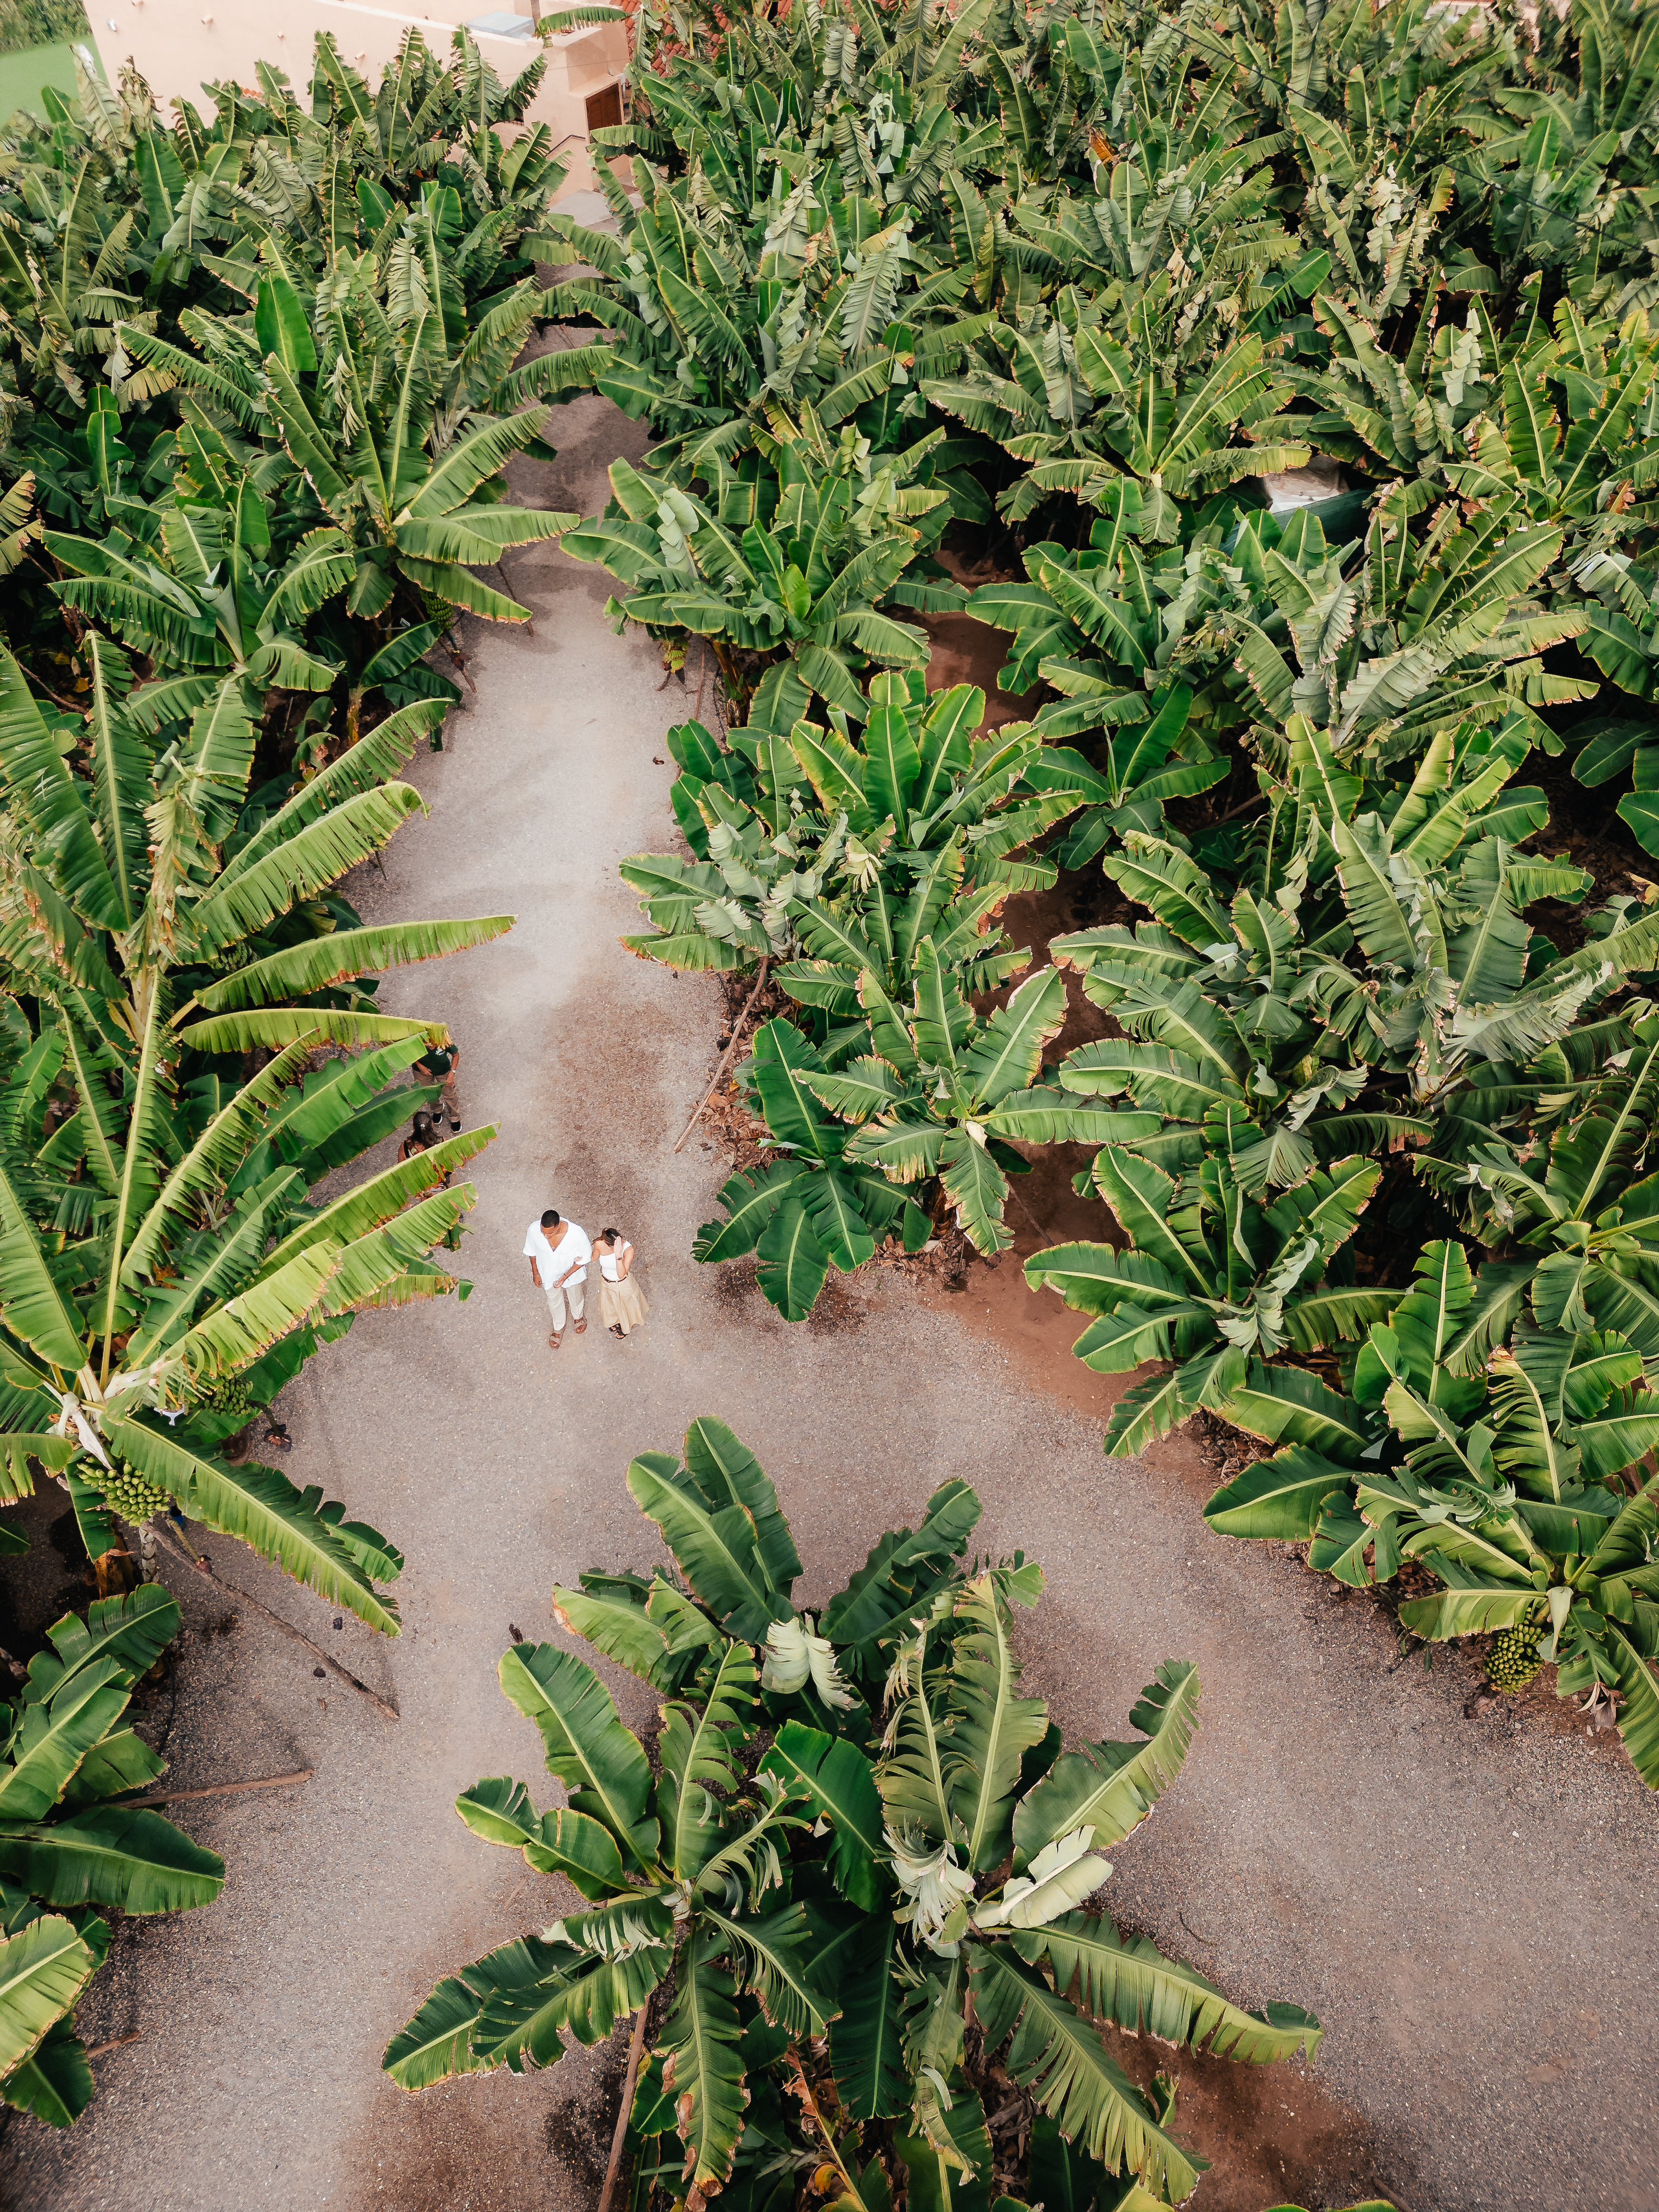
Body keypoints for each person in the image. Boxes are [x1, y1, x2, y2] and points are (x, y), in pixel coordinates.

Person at [524, 1207, 591, 1350]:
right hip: (548, 1273)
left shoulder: (577, 1234)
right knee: (554, 1300)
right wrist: (536, 1273)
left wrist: (565, 1277)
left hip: (571, 1274)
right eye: (544, 1233)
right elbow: (532, 1252)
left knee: (575, 1294)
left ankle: (578, 1316)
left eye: (550, 1234)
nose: (546, 1237)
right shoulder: (533, 1230)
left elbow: (584, 1259)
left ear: (558, 1226)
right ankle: (559, 1326)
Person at [594, 1228, 648, 1339]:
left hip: (621, 1284)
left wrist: (618, 1255)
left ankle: (625, 1328)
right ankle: (615, 1321)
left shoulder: (628, 1249)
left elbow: (621, 1274)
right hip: (605, 1282)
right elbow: (593, 1257)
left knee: (625, 1308)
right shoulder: (600, 1244)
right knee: (610, 1305)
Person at [414, 1036, 461, 1130]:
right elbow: (408, 1054)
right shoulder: (416, 1042)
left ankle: (455, 1117)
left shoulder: (443, 1040)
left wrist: (452, 1073)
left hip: (443, 1070)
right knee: (429, 1093)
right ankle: (437, 1109)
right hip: (422, 1072)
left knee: (449, 1094)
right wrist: (420, 1066)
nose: (431, 1046)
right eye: (427, 1044)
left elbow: (456, 1054)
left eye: (433, 1043)